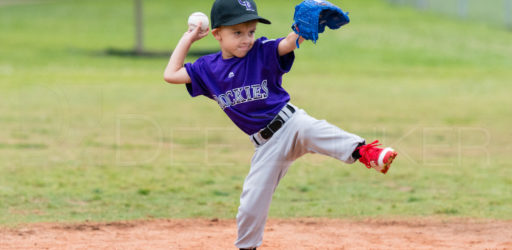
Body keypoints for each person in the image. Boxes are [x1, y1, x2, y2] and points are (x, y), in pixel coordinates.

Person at [163, 0, 397, 249]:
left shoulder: (261, 50)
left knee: (315, 129)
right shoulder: (207, 68)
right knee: (251, 203)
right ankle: (247, 247)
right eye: (237, 32)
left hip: (290, 122)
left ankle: (367, 152)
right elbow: (171, 74)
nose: (247, 38)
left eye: (250, 31)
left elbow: (287, 43)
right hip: (265, 145)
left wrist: (301, 30)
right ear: (217, 34)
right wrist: (189, 37)